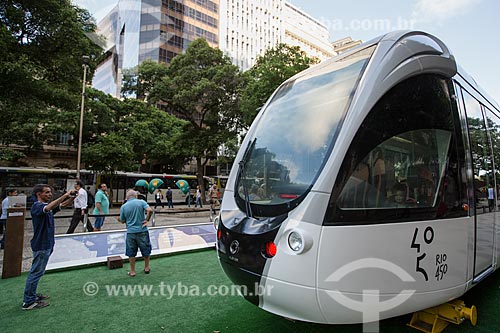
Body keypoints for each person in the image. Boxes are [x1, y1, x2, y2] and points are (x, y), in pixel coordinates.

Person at [22, 184, 75, 310]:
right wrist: (64, 195)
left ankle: (32, 295)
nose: (50, 194)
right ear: (38, 194)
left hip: (47, 244)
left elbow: (61, 206)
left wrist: (72, 198)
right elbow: (48, 207)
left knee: (38, 272)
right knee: (36, 272)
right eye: (47, 192)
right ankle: (28, 301)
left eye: (50, 192)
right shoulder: (37, 206)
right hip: (41, 244)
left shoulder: (47, 208)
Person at [119, 189, 153, 277]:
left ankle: (133, 271)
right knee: (146, 250)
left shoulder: (124, 206)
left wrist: (118, 219)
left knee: (131, 252)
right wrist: (147, 220)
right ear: (136, 196)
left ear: (127, 197)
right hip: (142, 230)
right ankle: (146, 267)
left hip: (131, 232)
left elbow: (122, 220)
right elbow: (150, 210)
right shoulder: (141, 202)